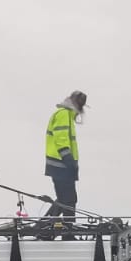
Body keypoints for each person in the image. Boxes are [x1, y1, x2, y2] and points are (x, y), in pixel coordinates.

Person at [43, 91, 86, 222]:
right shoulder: (64, 114)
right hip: (61, 164)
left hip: (59, 165)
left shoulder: (65, 114)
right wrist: (69, 161)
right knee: (69, 199)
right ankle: (68, 231)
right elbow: (61, 138)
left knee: (64, 199)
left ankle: (46, 225)